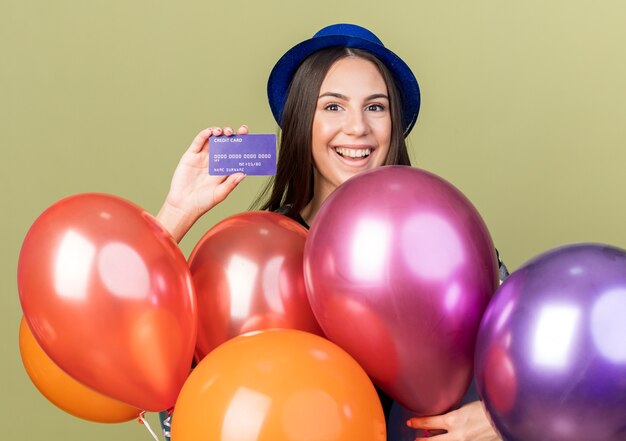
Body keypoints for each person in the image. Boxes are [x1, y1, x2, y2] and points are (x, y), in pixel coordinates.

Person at [157, 23, 505, 441]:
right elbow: (173, 395)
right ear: (303, 121)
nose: (357, 127)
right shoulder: (253, 257)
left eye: (375, 107)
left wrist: (501, 418)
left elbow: (524, 360)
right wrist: (176, 213)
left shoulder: (441, 240)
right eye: (333, 107)